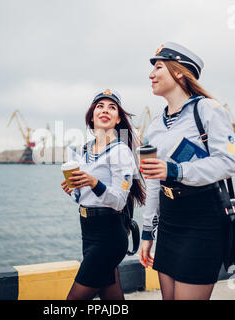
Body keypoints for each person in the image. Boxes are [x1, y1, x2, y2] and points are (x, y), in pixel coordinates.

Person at [138, 42, 235, 300]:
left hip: (203, 219)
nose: (151, 75)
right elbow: (152, 182)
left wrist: (175, 170)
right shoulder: (153, 128)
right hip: (170, 222)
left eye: (158, 67)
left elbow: (228, 162)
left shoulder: (208, 110)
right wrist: (148, 232)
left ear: (179, 72)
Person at [61, 89, 145, 300]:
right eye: (100, 106)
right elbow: (83, 198)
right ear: (91, 116)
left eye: (112, 107)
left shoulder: (120, 152)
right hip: (88, 232)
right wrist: (73, 190)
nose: (105, 110)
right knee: (112, 299)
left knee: (73, 300)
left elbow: (118, 201)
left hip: (109, 236)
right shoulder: (85, 151)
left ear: (118, 119)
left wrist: (94, 182)